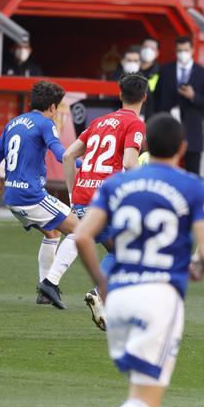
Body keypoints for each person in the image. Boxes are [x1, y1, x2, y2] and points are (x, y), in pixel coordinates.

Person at [62, 114, 204, 407]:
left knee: (144, 394)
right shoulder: (193, 187)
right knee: (145, 402)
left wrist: (103, 284)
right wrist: (198, 269)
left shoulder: (118, 184)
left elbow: (84, 235)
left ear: (146, 144)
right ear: (182, 147)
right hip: (159, 298)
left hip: (119, 296)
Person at [0, 81, 81, 309]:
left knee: (53, 232)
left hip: (11, 197)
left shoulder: (13, 123)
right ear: (53, 107)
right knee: (81, 231)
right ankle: (49, 283)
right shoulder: (46, 124)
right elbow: (60, 155)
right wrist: (85, 163)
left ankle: (44, 294)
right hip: (31, 196)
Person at [63, 74, 149, 331]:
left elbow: (68, 155)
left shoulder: (99, 121)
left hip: (81, 201)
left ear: (120, 95)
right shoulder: (135, 124)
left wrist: (71, 196)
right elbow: (131, 164)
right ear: (144, 97)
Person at [154, 36, 204, 175]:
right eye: (179, 50)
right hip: (167, 129)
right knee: (165, 172)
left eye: (185, 50)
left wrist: (194, 96)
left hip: (192, 131)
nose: (182, 53)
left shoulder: (202, 73)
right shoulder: (165, 70)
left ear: (192, 50)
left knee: (192, 172)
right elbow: (157, 97)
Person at [138, 37, 160, 119]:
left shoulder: (160, 73)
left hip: (150, 118)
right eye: (145, 47)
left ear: (157, 53)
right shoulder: (132, 69)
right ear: (141, 49)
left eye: (152, 48)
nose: (148, 51)